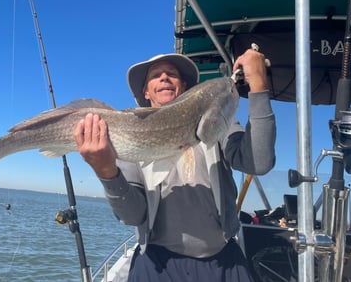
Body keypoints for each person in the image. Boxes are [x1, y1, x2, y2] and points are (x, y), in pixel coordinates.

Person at [73, 50, 276, 281]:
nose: (164, 77)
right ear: (146, 92)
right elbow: (133, 215)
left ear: (186, 88)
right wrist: (106, 171)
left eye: (172, 74)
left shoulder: (216, 122)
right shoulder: (127, 137)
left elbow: (259, 162)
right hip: (157, 264)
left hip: (223, 261)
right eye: (156, 75)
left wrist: (259, 88)